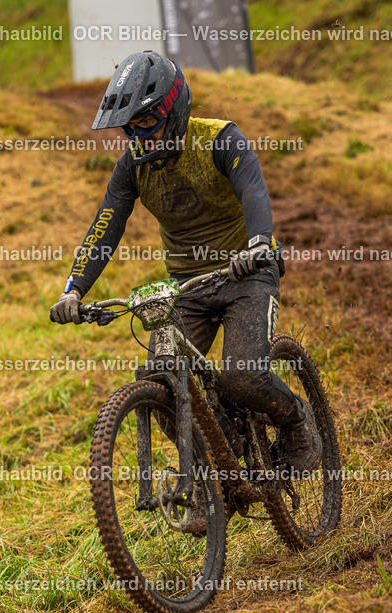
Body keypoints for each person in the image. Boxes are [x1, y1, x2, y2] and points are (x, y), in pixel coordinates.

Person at [49, 50, 319, 472]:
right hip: (187, 288)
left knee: (242, 377)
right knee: (163, 387)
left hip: (246, 273)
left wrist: (259, 243)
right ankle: (220, 475)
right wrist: (74, 290)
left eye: (148, 126)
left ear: (173, 112)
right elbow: (106, 226)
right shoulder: (131, 169)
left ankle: (297, 421)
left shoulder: (219, 139)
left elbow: (253, 190)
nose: (141, 140)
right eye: (130, 130)